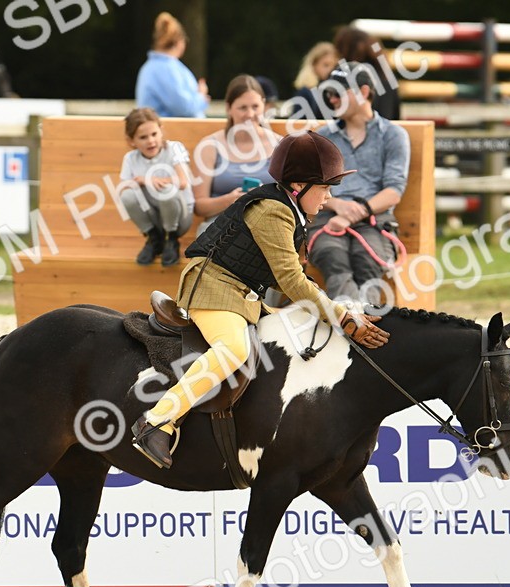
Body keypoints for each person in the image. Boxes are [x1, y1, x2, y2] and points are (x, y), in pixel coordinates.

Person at [130, 130, 390, 469]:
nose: (328, 197)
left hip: (243, 292)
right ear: (299, 186)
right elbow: (292, 281)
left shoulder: (291, 211)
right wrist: (340, 316)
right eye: (325, 188)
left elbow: (294, 281)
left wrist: (345, 310)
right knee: (234, 349)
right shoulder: (273, 211)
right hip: (211, 286)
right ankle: (157, 421)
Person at [305, 60, 409, 305]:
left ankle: (356, 327)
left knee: (368, 260)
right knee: (334, 257)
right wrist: (338, 207)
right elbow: (309, 186)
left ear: (364, 92)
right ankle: (361, 327)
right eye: (329, 93)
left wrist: (351, 214)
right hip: (327, 217)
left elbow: (394, 191)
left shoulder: (393, 135)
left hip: (375, 220)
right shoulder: (322, 136)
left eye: (338, 93)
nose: (331, 99)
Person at [191, 74, 281, 235]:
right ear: (228, 109)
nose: (250, 114)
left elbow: (293, 197)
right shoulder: (210, 146)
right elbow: (199, 206)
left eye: (255, 107)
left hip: (268, 225)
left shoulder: (279, 145)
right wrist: (230, 201)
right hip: (221, 226)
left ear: (264, 106)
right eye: (242, 108)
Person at [119, 108, 194, 267]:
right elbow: (123, 188)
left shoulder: (174, 148)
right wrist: (143, 181)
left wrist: (153, 180)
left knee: (165, 190)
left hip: (179, 217)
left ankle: (171, 240)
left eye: (154, 134)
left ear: (161, 131)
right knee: (127, 195)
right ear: (131, 141)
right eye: (143, 137)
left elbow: (182, 181)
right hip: (155, 216)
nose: (151, 141)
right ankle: (154, 239)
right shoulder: (130, 158)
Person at [135, 12, 209, 118]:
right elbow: (182, 107)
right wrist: (201, 96)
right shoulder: (167, 69)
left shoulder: (149, 67)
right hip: (172, 133)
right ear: (179, 42)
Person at [289, 41, 338, 120]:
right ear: (314, 64)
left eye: (334, 65)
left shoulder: (333, 90)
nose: (330, 70)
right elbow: (297, 124)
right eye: (326, 65)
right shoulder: (305, 92)